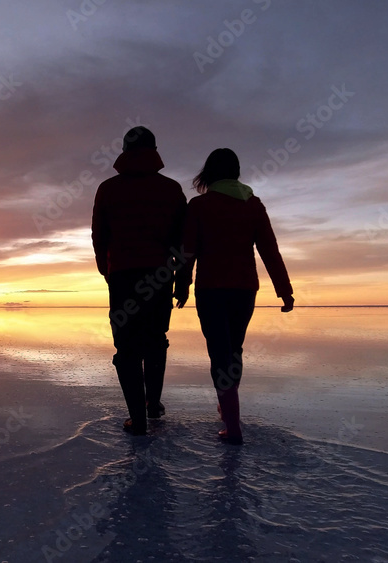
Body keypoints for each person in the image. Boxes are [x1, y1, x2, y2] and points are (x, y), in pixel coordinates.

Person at [175, 148, 294, 445]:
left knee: (219, 353)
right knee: (234, 349)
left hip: (212, 289)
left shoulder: (200, 206)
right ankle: (228, 406)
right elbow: (270, 250)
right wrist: (284, 290)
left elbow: (187, 251)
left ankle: (233, 426)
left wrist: (181, 285)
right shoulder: (253, 205)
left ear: (209, 173)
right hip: (244, 290)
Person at [92, 126, 188, 436]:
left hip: (122, 275)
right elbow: (183, 242)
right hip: (159, 275)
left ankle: (139, 418)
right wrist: (183, 281)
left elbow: (99, 235)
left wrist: (105, 269)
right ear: (155, 150)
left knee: (127, 347)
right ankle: (153, 403)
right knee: (156, 339)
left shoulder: (108, 189)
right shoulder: (171, 189)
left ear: (123, 150)